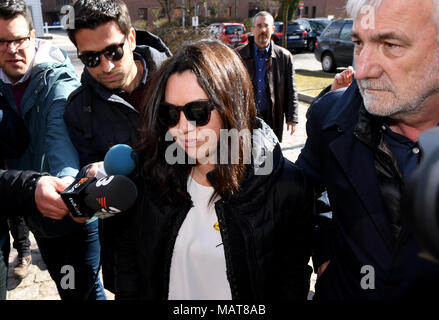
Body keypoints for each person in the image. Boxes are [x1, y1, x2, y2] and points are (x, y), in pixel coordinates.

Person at [113, 40, 314, 300]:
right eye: (170, 114)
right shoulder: (148, 177)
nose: (183, 127)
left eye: (198, 111)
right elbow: (130, 273)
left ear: (231, 106)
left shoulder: (287, 187)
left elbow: (291, 281)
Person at [296, 0, 439, 300]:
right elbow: (299, 194)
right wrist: (324, 255)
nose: (362, 70)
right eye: (359, 43)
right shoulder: (329, 120)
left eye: (390, 44)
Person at [0, 0, 105, 299]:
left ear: (33, 37)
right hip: (35, 213)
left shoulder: (56, 81)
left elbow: (60, 140)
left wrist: (67, 190)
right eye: (3, 42)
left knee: (86, 291)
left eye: (19, 39)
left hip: (72, 212)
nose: (11, 49)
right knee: (66, 286)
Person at [63, 0, 169, 294]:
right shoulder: (78, 109)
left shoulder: (178, 79)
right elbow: (81, 182)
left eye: (113, 51)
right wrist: (90, 182)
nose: (106, 66)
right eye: (91, 58)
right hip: (128, 253)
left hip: (190, 236)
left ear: (131, 38)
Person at [0, 89, 71, 299]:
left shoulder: (53, 83)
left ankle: (23, 249)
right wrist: (29, 186)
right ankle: (23, 250)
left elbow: (18, 142)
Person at [235, 11, 299, 142]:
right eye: (258, 26)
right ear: (252, 29)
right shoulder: (237, 55)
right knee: (244, 155)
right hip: (245, 117)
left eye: (266, 25)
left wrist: (292, 117)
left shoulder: (284, 57)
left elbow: (291, 89)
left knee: (268, 157)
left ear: (273, 29)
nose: (262, 30)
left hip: (271, 117)